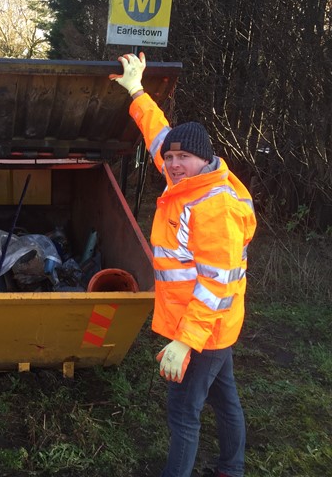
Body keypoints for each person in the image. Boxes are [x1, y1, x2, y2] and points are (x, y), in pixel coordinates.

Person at [110, 53, 257, 477]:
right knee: (225, 397)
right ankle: (232, 467)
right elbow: (160, 137)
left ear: (203, 159)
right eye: (170, 159)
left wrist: (185, 342)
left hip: (204, 327)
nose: (172, 164)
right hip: (216, 325)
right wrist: (136, 91)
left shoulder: (214, 206)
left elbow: (216, 284)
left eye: (181, 159)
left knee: (183, 415)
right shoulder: (190, 180)